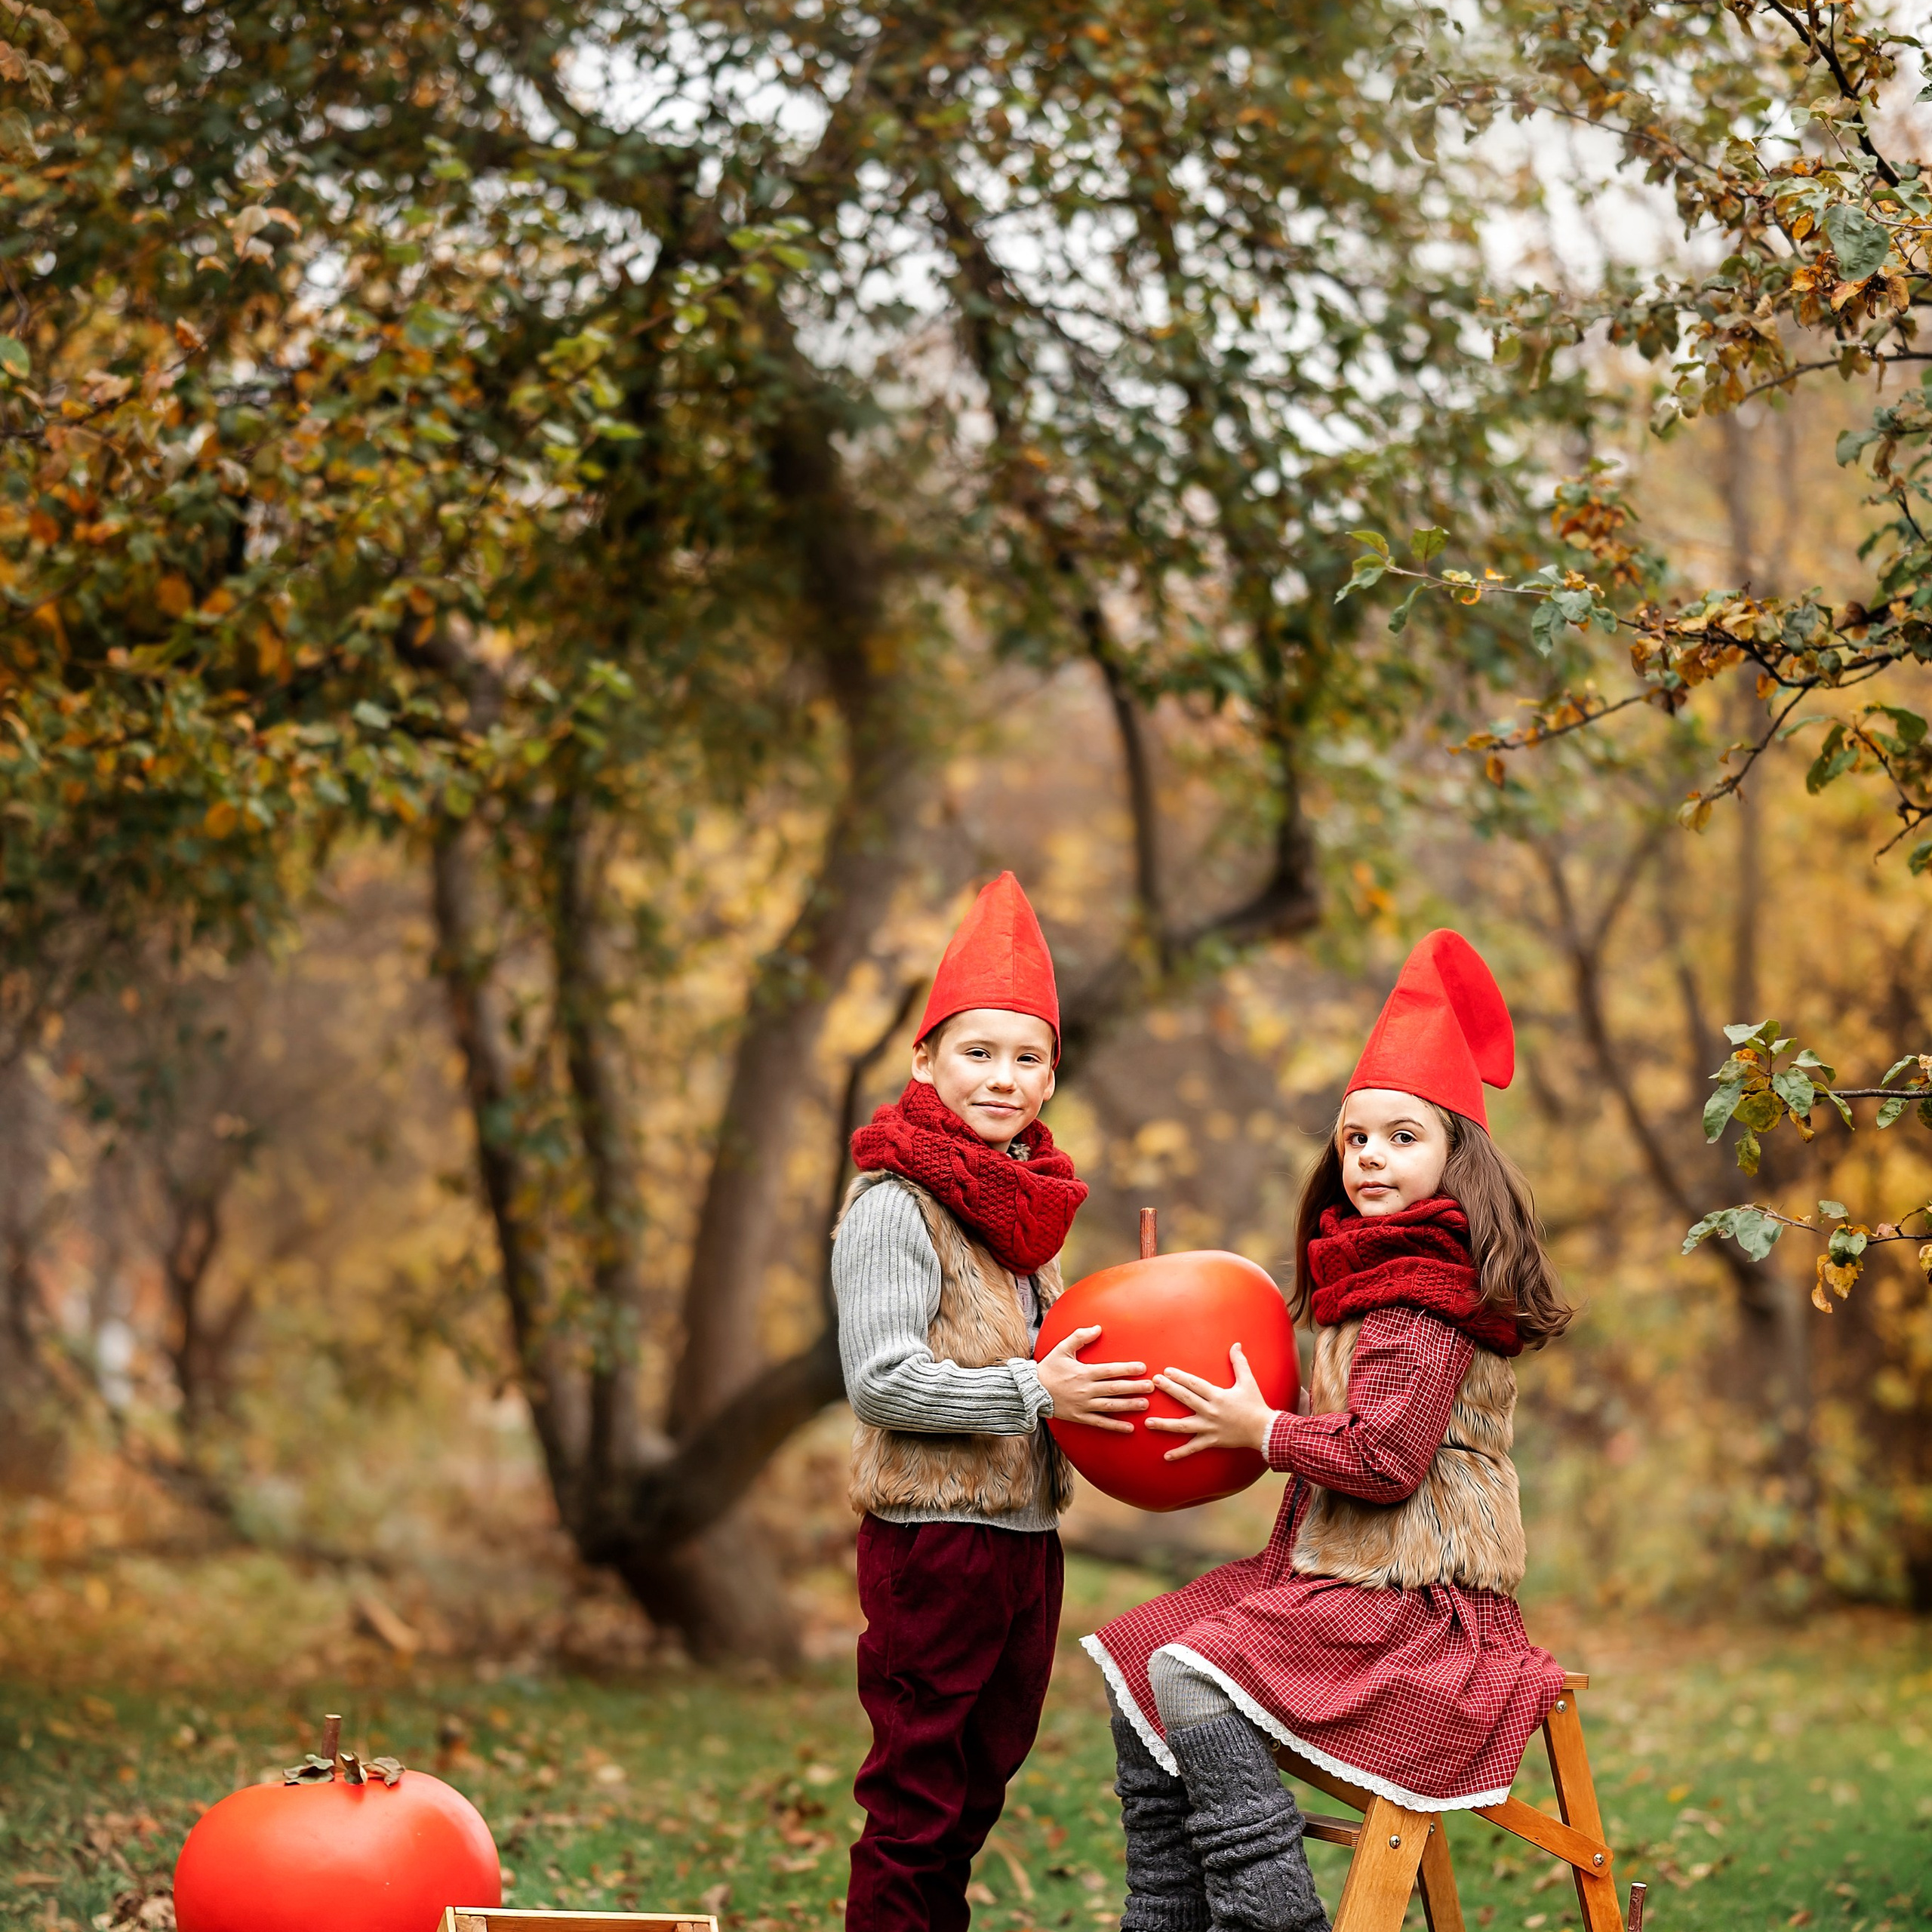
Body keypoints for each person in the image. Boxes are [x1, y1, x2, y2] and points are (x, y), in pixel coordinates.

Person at [1081, 930, 1574, 1932]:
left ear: (1455, 1157)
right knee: (1141, 1649)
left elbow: (1386, 1462)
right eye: (1356, 1139)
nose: (1371, 1159)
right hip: (1340, 1576)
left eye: (1403, 1137)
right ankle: (1166, 1914)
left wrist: (1263, 1430)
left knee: (1189, 1667)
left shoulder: (1426, 1298)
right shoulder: (1371, 1280)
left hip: (1422, 1600)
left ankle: (1268, 1914)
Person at [835, 871, 1155, 1932]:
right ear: (925, 1060)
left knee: (975, 1792)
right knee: (917, 1799)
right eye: (978, 1053)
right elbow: (880, 1379)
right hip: (934, 1541)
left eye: (1027, 1059)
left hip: (1022, 1538)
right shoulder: (895, 1204)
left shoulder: (1024, 1217)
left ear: (1052, 1079)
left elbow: (1040, 1368)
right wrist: (1038, 1389)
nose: (1002, 1078)